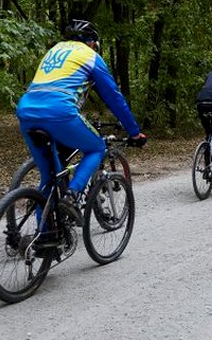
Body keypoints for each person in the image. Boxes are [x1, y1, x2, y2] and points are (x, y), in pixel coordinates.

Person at [16, 19, 146, 222]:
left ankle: (44, 238)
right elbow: (114, 98)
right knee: (96, 148)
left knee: (49, 177)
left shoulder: (53, 51)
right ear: (92, 42)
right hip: (60, 111)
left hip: (26, 110)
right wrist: (134, 132)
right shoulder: (90, 56)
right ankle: (72, 196)